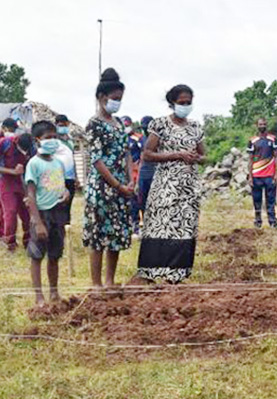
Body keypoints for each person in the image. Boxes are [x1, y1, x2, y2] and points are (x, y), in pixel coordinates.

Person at [133, 85, 205, 284]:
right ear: (172, 103)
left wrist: (196, 158)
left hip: (188, 186)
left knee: (184, 227)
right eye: (181, 103)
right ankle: (151, 273)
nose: (185, 106)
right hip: (165, 184)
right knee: (160, 225)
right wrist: (177, 155)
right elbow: (147, 154)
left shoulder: (196, 127)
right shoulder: (160, 125)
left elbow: (203, 155)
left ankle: (177, 274)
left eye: (188, 103)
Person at [83, 68, 134, 289]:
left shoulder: (120, 124)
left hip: (122, 185)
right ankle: (96, 284)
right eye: (114, 99)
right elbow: (96, 160)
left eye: (120, 99)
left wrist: (130, 180)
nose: (117, 102)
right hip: (102, 187)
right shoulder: (93, 125)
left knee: (116, 234)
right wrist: (117, 184)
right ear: (102, 98)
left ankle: (110, 281)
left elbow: (127, 153)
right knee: (99, 234)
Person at [26, 121, 69, 305]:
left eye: (54, 137)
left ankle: (54, 292)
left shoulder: (58, 163)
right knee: (37, 256)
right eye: (47, 138)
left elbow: (62, 185)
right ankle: (39, 296)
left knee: (54, 255)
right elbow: (31, 195)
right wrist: (38, 222)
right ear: (37, 141)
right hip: (42, 214)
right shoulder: (33, 164)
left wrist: (66, 193)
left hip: (58, 214)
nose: (52, 141)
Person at [0, 133, 34, 251]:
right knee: (11, 212)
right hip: (6, 181)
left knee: (27, 212)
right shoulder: (4, 143)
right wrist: (12, 171)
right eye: (21, 149)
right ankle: (10, 242)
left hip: (22, 181)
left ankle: (28, 241)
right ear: (16, 142)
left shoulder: (32, 147)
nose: (24, 152)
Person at [248, 118, 277, 228]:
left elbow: (276, 157)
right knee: (257, 200)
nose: (262, 126)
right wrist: (250, 176)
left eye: (264, 124)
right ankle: (258, 221)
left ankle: (272, 221)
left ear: (267, 125)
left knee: (270, 200)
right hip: (256, 175)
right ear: (257, 125)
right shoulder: (252, 140)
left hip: (269, 175)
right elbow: (250, 159)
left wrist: (276, 174)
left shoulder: (273, 139)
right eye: (260, 124)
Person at [53, 115, 79, 224]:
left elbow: (73, 159)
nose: (63, 127)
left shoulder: (70, 141)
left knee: (69, 201)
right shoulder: (54, 141)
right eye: (60, 125)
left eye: (64, 125)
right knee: (60, 202)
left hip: (70, 177)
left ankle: (66, 223)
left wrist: (76, 176)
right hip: (58, 177)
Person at [137, 115, 156, 217]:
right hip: (143, 175)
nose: (145, 130)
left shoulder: (158, 139)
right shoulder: (141, 139)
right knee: (142, 201)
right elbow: (141, 158)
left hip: (155, 174)